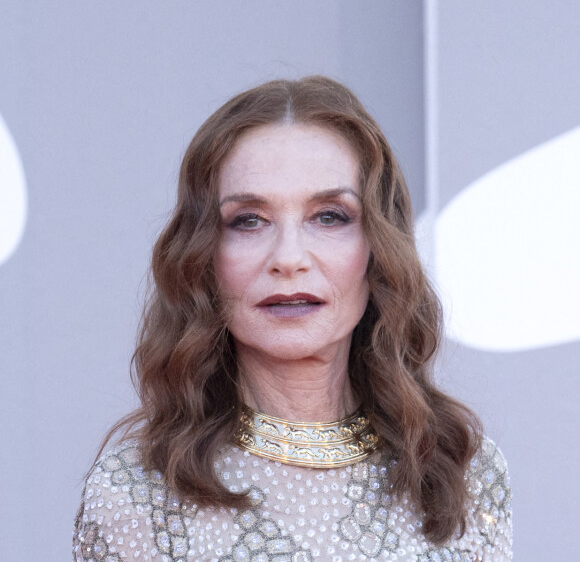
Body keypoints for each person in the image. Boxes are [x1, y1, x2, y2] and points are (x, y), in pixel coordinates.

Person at [73, 76, 512, 561]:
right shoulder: (137, 495)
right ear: (202, 257)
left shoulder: (465, 474)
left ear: (379, 249)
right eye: (248, 220)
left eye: (329, 216)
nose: (288, 258)